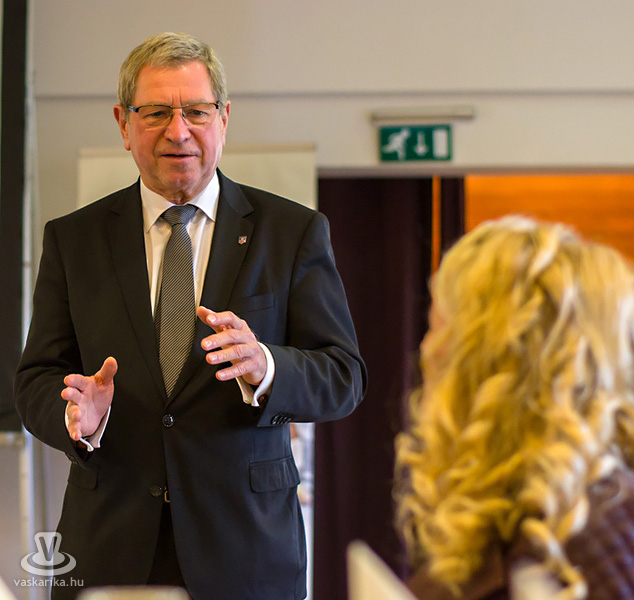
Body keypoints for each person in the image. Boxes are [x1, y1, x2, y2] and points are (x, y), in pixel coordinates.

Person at [14, 32, 366, 600]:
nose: (178, 131)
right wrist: (77, 416)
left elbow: (343, 376)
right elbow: (35, 379)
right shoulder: (73, 239)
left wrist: (267, 366)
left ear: (223, 118)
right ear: (123, 124)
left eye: (196, 111)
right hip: (111, 547)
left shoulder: (292, 231)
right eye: (156, 112)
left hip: (247, 549)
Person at [394, 216, 634, 600]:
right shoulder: (517, 506)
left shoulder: (592, 529)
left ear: (488, 360)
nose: (426, 351)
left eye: (437, 328)